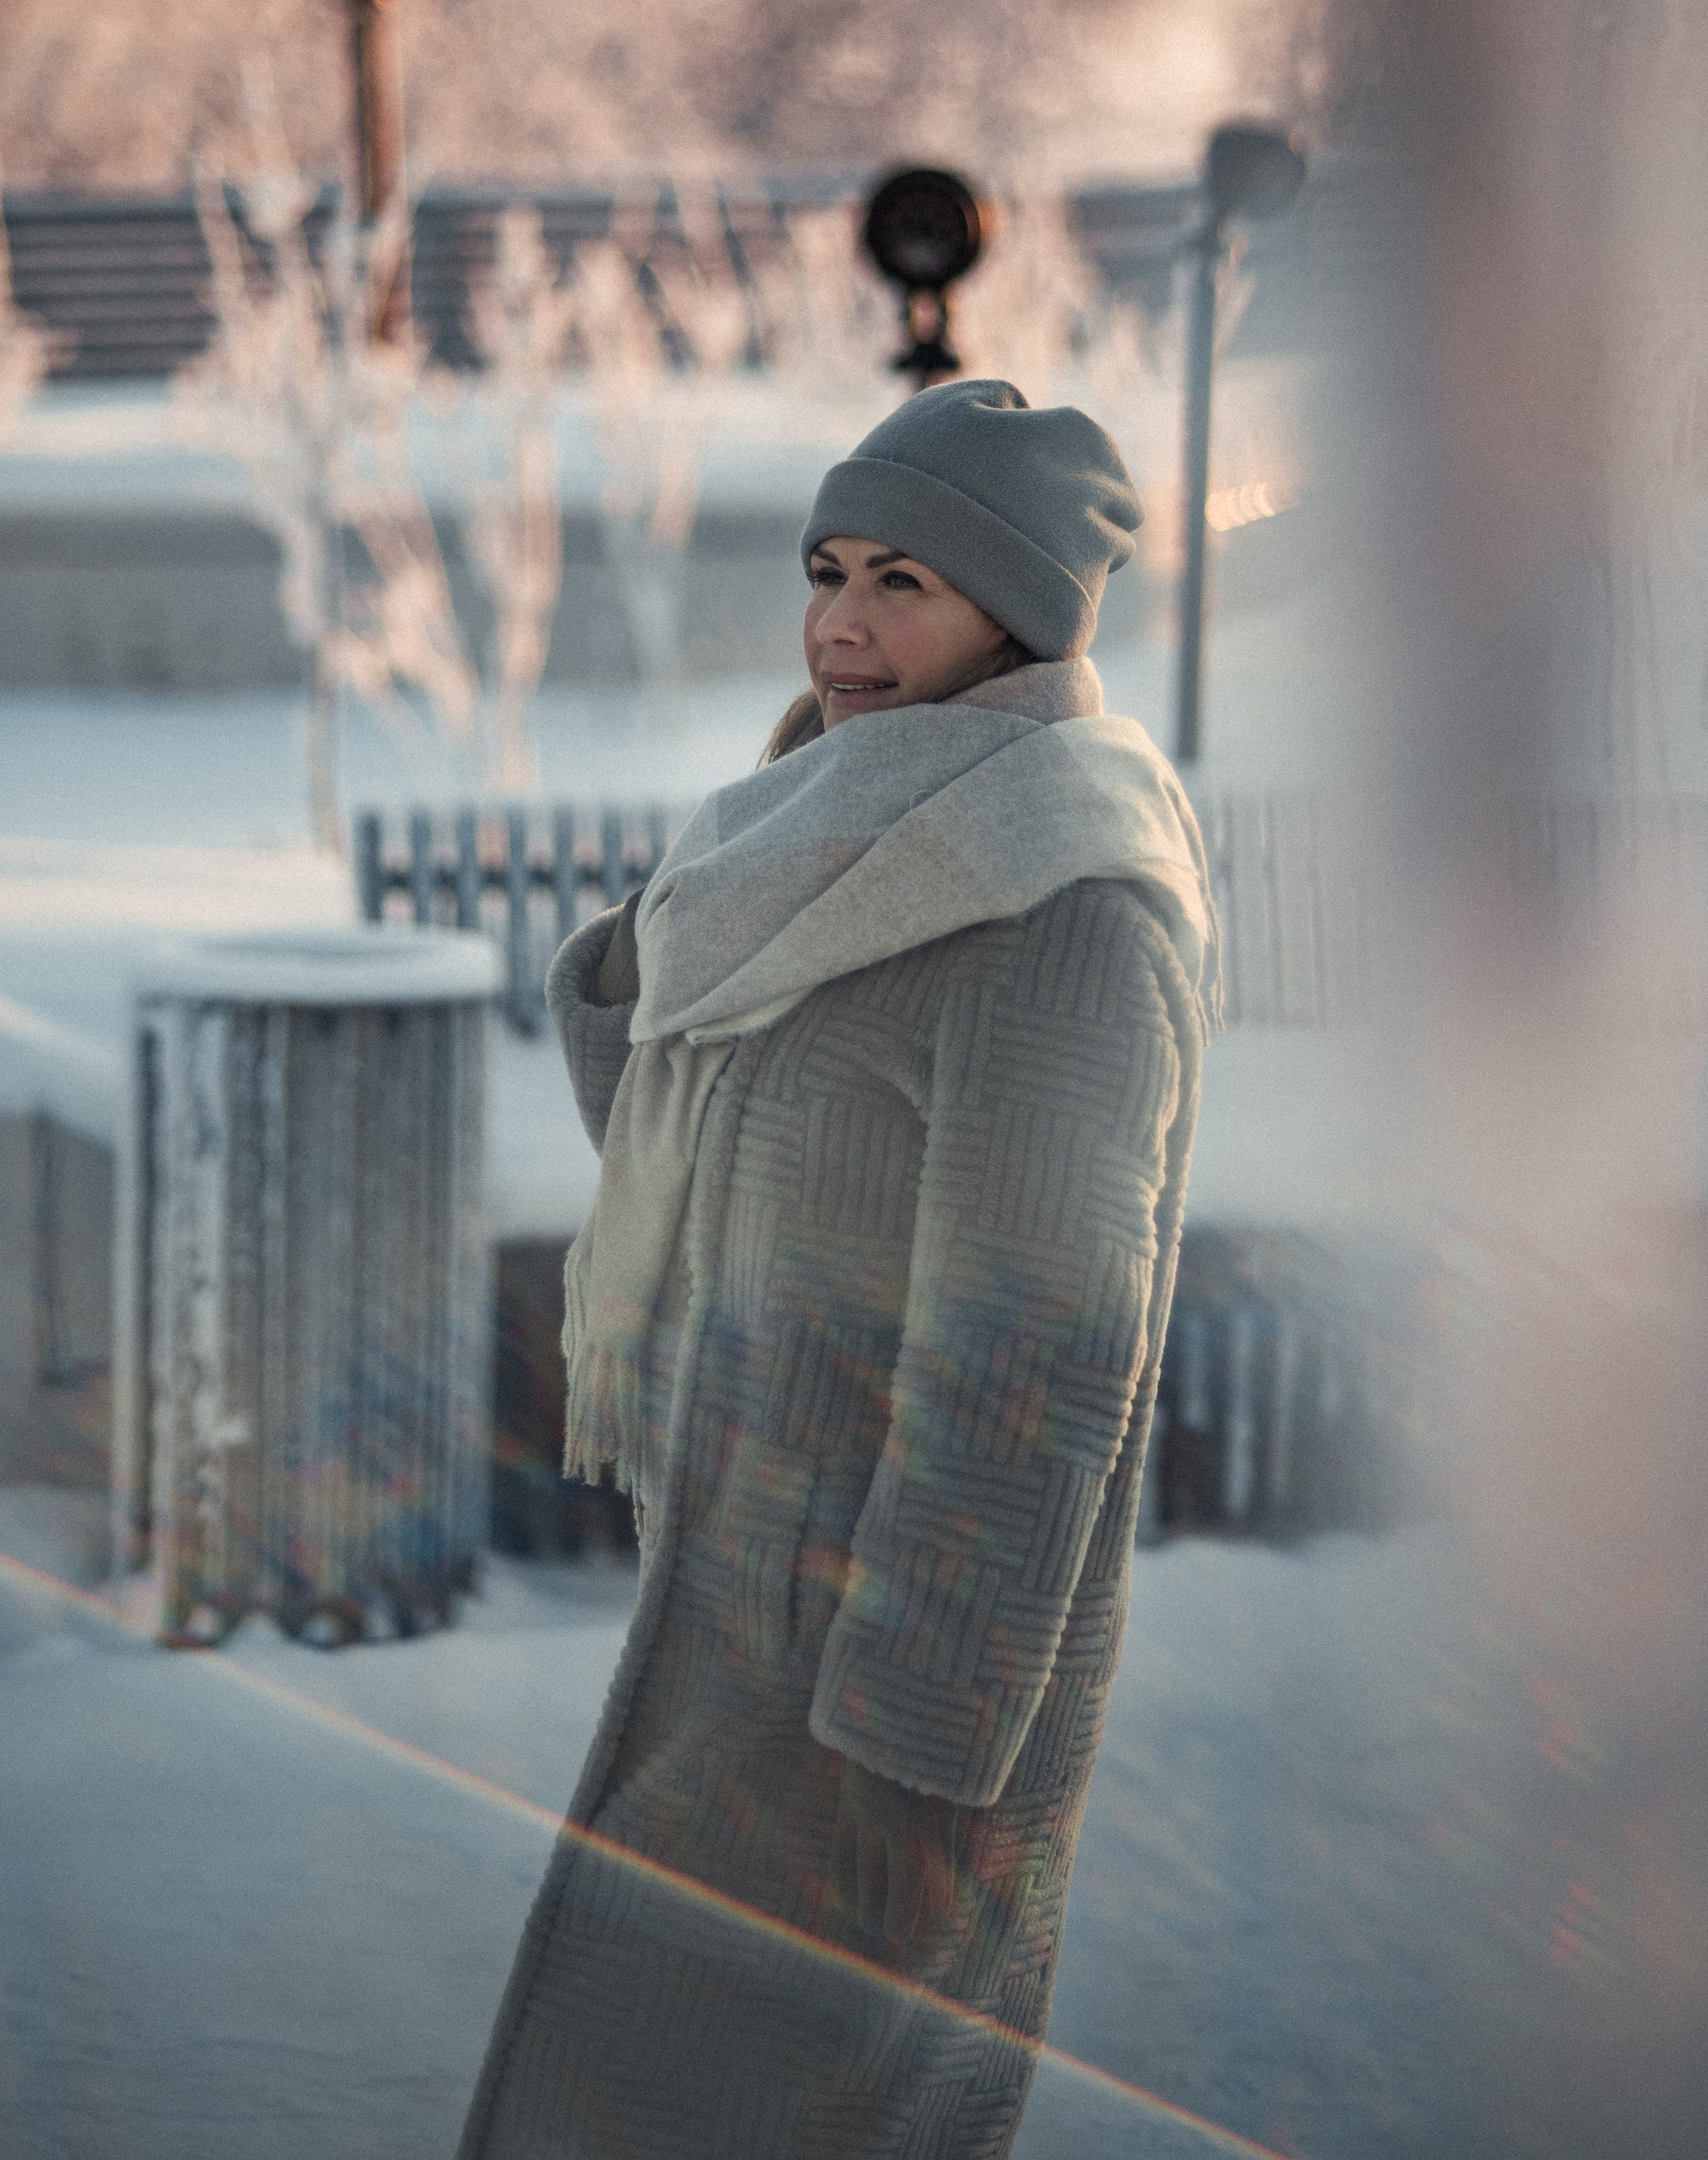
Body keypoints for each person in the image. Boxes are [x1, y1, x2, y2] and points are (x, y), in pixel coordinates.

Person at [457, 376, 1218, 2160]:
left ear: (1013, 616)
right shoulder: (821, 840)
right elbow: (720, 1181)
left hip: (889, 1666)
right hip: (748, 1596)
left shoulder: (1061, 896)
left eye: (904, 583)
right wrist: (690, 949)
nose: (841, 622)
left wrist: (914, 1721)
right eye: (830, 568)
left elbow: (1035, 1356)